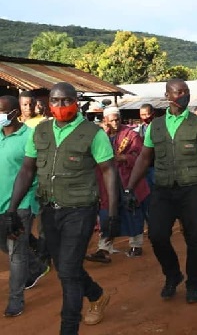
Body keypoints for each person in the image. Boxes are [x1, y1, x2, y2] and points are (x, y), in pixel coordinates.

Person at [7, 82, 119, 334]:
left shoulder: (93, 133)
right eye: (55, 101)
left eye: (65, 100)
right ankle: (97, 295)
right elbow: (27, 169)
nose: (59, 106)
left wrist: (112, 213)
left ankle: (68, 328)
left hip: (80, 210)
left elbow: (109, 171)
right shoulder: (41, 131)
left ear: (76, 102)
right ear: (48, 103)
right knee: (65, 266)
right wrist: (12, 209)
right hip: (49, 210)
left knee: (67, 271)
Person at [125, 78, 197, 304]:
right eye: (179, 92)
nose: (184, 95)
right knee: (157, 235)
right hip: (163, 190)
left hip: (191, 189)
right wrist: (129, 188)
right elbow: (145, 158)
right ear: (167, 96)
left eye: (187, 91)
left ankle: (194, 283)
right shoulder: (155, 126)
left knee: (194, 238)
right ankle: (173, 274)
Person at [0, 96, 50, 318]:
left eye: (1, 111)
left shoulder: (30, 137)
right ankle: (37, 266)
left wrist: (26, 202)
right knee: (3, 242)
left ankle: (16, 300)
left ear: (13, 113)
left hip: (21, 203)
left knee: (16, 253)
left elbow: (33, 172)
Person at [86, 106, 150, 263]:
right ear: (105, 120)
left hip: (128, 180)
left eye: (117, 119)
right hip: (107, 182)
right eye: (112, 120)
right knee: (107, 213)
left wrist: (124, 158)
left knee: (132, 211)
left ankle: (136, 244)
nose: (115, 123)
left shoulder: (131, 135)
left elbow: (141, 156)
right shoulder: (100, 136)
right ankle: (104, 248)